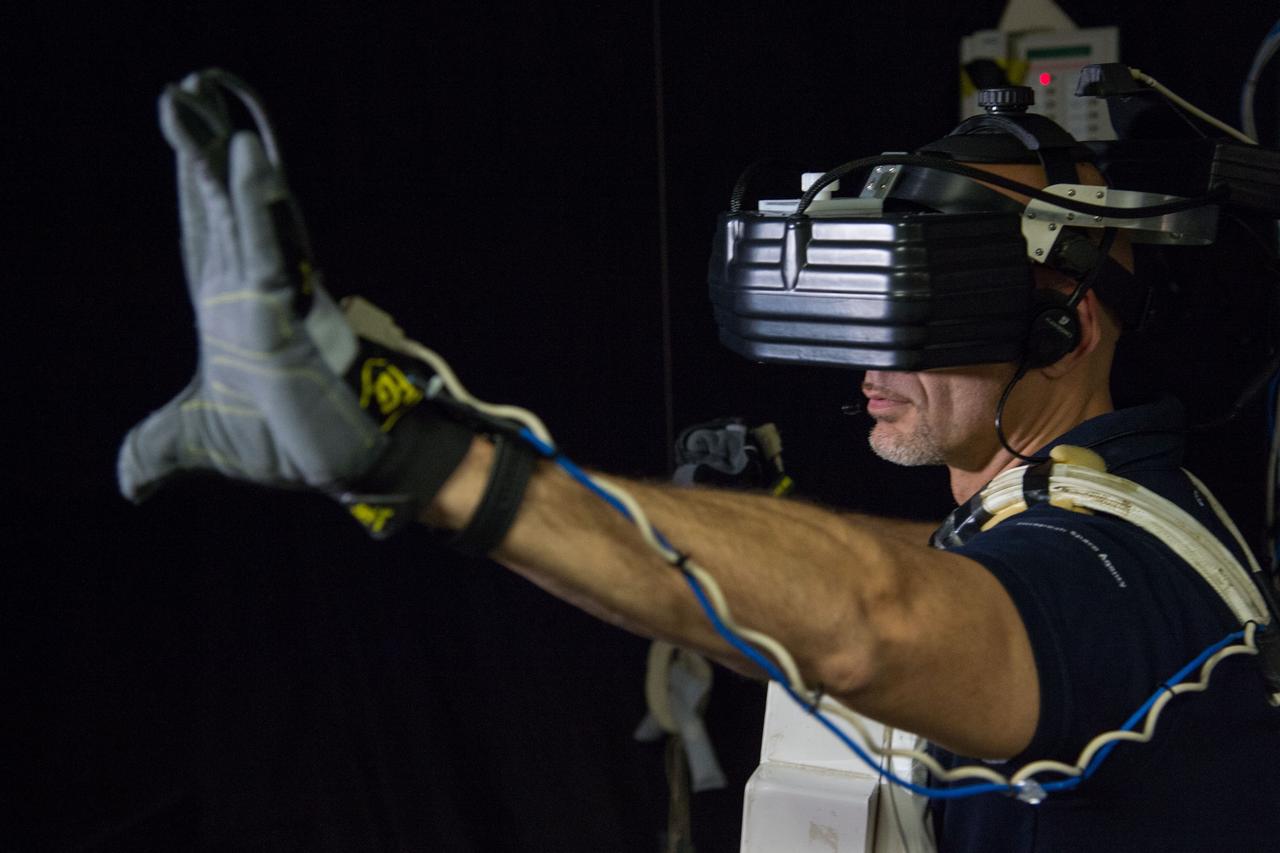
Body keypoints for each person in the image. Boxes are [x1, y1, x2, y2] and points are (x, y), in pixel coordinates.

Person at [121, 71, 1279, 852]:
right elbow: (935, 582)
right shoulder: (1033, 517)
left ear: (1064, 322)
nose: (864, 351)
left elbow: (883, 617)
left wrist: (424, 457)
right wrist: (758, 535)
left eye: (914, 305)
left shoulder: (1124, 567)